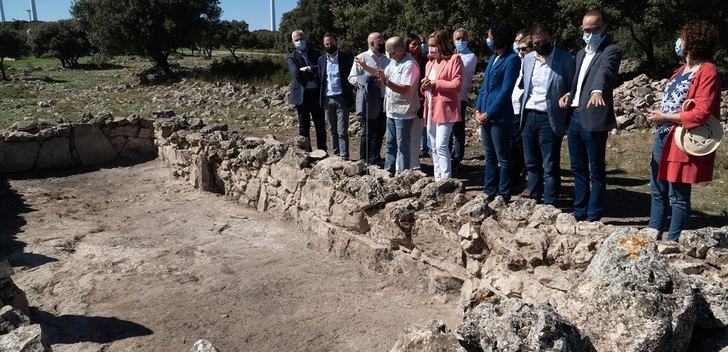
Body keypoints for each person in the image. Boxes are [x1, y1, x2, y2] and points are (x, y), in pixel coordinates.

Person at [645, 21, 721, 241]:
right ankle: (652, 233)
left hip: (682, 137)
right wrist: (660, 114)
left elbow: (702, 112)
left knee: (677, 193)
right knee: (656, 187)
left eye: (683, 38)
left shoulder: (707, 71)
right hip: (663, 134)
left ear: (694, 42)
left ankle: (673, 241)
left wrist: (666, 117)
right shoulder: (681, 70)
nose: (679, 42)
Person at [558, 10, 621, 222]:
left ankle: (593, 216)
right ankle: (579, 212)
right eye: (586, 30)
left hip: (593, 119)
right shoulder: (580, 54)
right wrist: (569, 94)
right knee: (577, 169)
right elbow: (578, 82)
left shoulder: (611, 51)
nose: (590, 33)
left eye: (594, 29)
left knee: (596, 170)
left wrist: (597, 91)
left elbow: (605, 72)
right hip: (574, 117)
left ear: (603, 27)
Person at [519, 23, 575, 205]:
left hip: (550, 117)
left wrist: (567, 96)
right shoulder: (527, 59)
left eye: (544, 41)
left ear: (552, 38)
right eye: (536, 43)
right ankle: (534, 200)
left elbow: (573, 87)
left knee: (550, 164)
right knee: (531, 163)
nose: (540, 45)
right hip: (528, 115)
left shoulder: (566, 60)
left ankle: (550, 203)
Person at [356, 37, 420, 175]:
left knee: (402, 145)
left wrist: (386, 82)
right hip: (391, 110)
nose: (389, 56)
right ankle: (388, 171)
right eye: (388, 52)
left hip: (404, 112)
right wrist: (365, 67)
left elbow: (405, 89)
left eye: (391, 52)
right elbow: (381, 73)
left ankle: (403, 174)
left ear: (401, 49)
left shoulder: (410, 64)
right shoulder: (393, 62)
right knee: (390, 144)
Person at [474, 22, 520, 201]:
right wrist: (478, 108)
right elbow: (485, 86)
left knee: (503, 157)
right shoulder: (493, 58)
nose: (488, 40)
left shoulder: (512, 59)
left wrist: (489, 113)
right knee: (489, 155)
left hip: (499, 116)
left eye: (491, 37)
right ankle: (489, 189)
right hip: (484, 113)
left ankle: (504, 193)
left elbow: (505, 90)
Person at [421, 30, 464, 180]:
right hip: (431, 107)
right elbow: (428, 87)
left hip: (446, 109)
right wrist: (425, 85)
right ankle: (437, 178)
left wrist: (434, 83)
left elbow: (456, 84)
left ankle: (446, 180)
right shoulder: (429, 64)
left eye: (434, 45)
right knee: (433, 147)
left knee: (441, 145)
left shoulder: (454, 59)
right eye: (429, 45)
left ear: (442, 44)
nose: (431, 48)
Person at [349, 32, 390, 165]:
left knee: (380, 130)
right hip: (369, 100)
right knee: (368, 130)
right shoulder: (362, 57)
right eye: (380, 41)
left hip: (385, 99)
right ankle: (364, 159)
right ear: (372, 43)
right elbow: (352, 78)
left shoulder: (387, 59)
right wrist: (369, 82)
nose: (383, 43)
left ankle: (375, 158)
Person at [287, 30, 327, 152]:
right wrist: (312, 71)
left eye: (301, 39)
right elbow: (295, 73)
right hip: (301, 96)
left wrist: (309, 68)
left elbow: (322, 68)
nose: (299, 42)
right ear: (293, 42)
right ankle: (306, 152)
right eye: (296, 40)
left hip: (316, 94)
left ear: (305, 38)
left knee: (320, 125)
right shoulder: (291, 56)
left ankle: (322, 151)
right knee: (304, 126)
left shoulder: (316, 53)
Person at [318, 32, 355, 160]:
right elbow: (321, 78)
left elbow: (352, 77)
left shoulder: (346, 58)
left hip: (342, 98)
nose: (329, 46)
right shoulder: (321, 60)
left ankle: (344, 156)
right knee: (332, 130)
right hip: (327, 98)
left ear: (336, 42)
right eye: (326, 44)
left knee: (342, 130)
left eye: (331, 43)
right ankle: (336, 155)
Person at [450, 28, 478, 175]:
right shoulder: (452, 54)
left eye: (463, 38)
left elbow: (457, 72)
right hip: (448, 96)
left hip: (460, 97)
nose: (460, 41)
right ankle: (447, 157)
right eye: (457, 38)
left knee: (458, 130)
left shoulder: (470, 56)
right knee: (447, 129)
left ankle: (458, 158)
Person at [510, 31, 532, 196]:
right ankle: (516, 182)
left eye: (524, 47)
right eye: (518, 45)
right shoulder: (519, 63)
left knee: (527, 151)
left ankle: (529, 184)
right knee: (515, 150)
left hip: (526, 113)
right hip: (513, 112)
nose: (520, 49)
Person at [405, 33, 427, 169]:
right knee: (403, 136)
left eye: (419, 44)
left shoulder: (425, 61)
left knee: (416, 134)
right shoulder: (401, 60)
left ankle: (415, 164)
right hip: (404, 102)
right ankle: (403, 164)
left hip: (420, 102)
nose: (417, 47)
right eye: (414, 44)